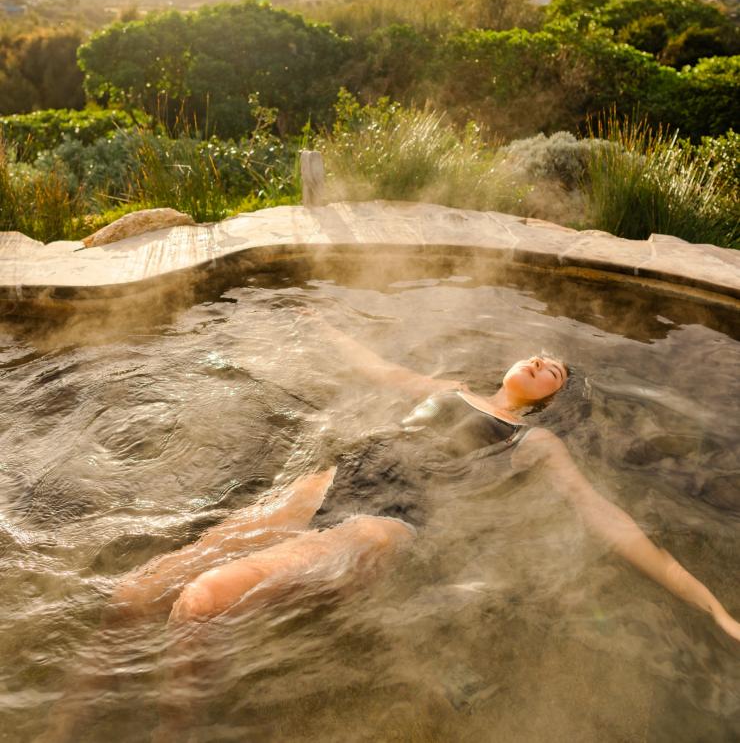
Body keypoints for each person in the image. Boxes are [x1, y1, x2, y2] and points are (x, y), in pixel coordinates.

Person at [39, 315, 740, 742]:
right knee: (129, 596)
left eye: (555, 371)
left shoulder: (532, 440)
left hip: (387, 519)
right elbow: (371, 367)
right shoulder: (446, 390)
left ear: (552, 399)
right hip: (327, 486)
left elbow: (607, 519)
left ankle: (173, 732)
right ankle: (61, 729)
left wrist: (711, 607)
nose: (542, 362)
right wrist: (314, 321)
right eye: (538, 355)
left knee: (199, 604)